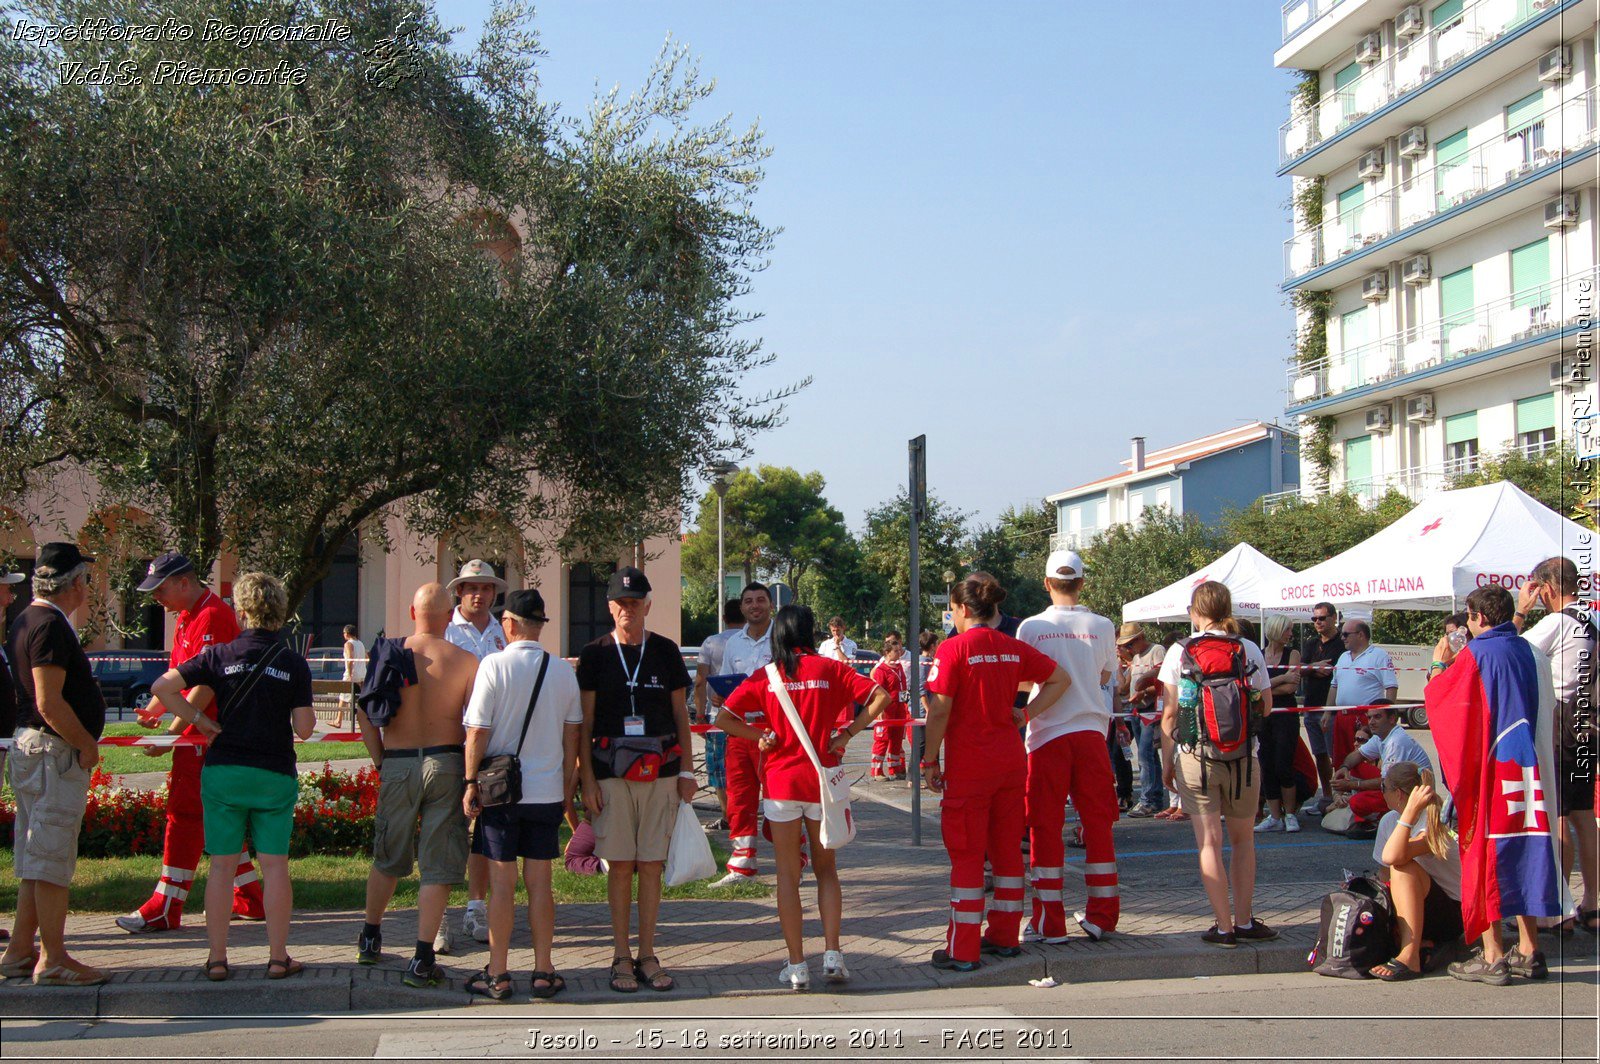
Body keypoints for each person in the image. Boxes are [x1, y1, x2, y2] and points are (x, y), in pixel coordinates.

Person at [147, 572, 316, 981]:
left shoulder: (219, 655)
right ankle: (278, 958)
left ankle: (217, 959)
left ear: (241, 611)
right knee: (275, 867)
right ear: (280, 613)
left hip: (223, 771)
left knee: (221, 867)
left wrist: (199, 720)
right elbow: (307, 728)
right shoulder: (293, 663)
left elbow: (162, 686)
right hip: (274, 773)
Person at [717, 605, 893, 990]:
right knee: (826, 870)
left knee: (787, 876)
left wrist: (758, 738)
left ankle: (797, 965)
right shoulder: (830, 669)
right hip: (822, 781)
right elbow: (881, 695)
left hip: (781, 783)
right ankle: (833, 954)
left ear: (778, 635)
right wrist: (848, 733)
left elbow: (723, 718)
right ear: (811, 632)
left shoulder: (767, 676)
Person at [921, 572, 1069, 972]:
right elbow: (1060, 679)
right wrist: (1025, 714)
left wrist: (930, 759)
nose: (952, 616)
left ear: (964, 609)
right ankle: (1005, 936)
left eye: (952, 610)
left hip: (970, 766)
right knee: (1006, 852)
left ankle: (962, 948)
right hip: (1009, 762)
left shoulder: (953, 649)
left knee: (967, 854)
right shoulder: (1012, 646)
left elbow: (939, 708)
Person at [118, 551, 261, 934]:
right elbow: (177, 673)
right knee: (217, 817)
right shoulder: (187, 615)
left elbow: (203, 684)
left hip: (205, 736)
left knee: (184, 816)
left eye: (161, 589)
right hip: (201, 734)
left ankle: (166, 906)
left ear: (185, 582)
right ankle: (251, 898)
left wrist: (171, 734)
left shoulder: (212, 616)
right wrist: (153, 710)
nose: (156, 598)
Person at [1427, 584, 1563, 985]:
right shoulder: (1530, 650)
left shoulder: (1476, 654)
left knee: (1484, 857)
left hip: (1491, 770)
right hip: (1528, 770)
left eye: (1469, 618)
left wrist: (1438, 667)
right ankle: (1530, 948)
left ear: (1479, 618)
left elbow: (1444, 704)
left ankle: (1493, 955)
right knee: (1524, 854)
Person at [576, 566, 696, 994]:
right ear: (611, 607)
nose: (629, 609)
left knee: (650, 865)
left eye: (635, 602)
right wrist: (586, 778)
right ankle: (620, 956)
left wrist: (687, 770)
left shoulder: (665, 651)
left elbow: (681, 714)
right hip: (610, 774)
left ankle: (648, 953)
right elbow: (585, 722)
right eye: (621, 603)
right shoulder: (594, 653)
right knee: (621, 865)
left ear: (647, 605)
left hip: (661, 771)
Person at [460, 589, 582, 1001]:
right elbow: (572, 737)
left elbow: (477, 731)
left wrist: (470, 782)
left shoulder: (492, 665)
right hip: (546, 792)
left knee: (501, 884)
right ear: (541, 626)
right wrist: (567, 790)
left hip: (501, 794)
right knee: (540, 884)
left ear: (508, 624)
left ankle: (498, 973)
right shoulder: (564, 672)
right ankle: (544, 970)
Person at [355, 583, 478, 988]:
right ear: (449, 616)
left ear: (412, 611)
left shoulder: (388, 654)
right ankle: (423, 958)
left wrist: (380, 761)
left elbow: (365, 714)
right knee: (438, 865)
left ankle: (370, 937)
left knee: (387, 856)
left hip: (399, 761)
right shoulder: (465, 660)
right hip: (446, 760)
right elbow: (475, 726)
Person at [1, 543, 108, 986]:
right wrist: (85, 744)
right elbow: (49, 702)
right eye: (85, 578)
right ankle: (54, 958)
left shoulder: (27, 618)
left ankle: (19, 951)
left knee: (34, 855)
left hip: (34, 750)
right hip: (52, 753)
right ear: (76, 583)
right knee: (51, 857)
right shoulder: (48, 626)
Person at [1159, 580, 1277, 948]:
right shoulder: (1248, 648)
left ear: (1195, 612)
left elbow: (1168, 716)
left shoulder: (1179, 652)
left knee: (1209, 843)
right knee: (1243, 842)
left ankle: (1223, 926)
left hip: (1195, 757)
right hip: (1243, 757)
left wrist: (1168, 763)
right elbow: (1266, 705)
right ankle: (1244, 920)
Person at [1015, 549, 1120, 943]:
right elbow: (1108, 673)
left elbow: (1024, 684)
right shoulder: (1103, 625)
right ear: (1082, 582)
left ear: (1046, 583)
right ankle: (1103, 916)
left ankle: (1048, 921)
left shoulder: (1032, 627)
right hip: (1092, 732)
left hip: (1046, 735)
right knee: (1098, 826)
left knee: (1044, 827)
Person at [1515, 556, 1598, 934]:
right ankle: (1592, 901)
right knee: (1583, 813)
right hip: (1588, 717)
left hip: (1563, 718)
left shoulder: (1555, 621)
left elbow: (1512, 653)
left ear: (1546, 587)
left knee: (1559, 812)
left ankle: (1557, 906)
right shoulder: (1593, 618)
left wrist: (1520, 612)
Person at [442, 558, 508, 950]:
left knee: (485, 829)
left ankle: (475, 905)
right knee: (445, 828)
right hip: (454, 739)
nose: (479, 595)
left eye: (486, 588)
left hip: (495, 743)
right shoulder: (446, 632)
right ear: (459, 593)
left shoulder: (504, 632)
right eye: (472, 588)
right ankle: (439, 914)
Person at [1366, 762, 1464, 980]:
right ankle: (1418, 943)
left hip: (1453, 911)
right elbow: (1384, 875)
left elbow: (1393, 857)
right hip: (1421, 904)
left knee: (1402, 866)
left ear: (1399, 794)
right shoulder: (1389, 821)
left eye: (1384, 787)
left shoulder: (1433, 822)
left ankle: (1410, 956)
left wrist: (1409, 813)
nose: (1381, 792)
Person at [711, 582, 775, 887]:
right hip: (738, 729)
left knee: (780, 797)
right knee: (739, 797)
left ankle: (795, 856)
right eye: (748, 601)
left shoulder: (781, 638)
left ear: (770, 605)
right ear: (742, 608)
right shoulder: (733, 643)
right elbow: (725, 682)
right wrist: (719, 693)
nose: (754, 606)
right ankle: (742, 866)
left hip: (773, 729)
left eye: (760, 600)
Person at [1332, 704, 1434, 824]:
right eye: (1369, 718)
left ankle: (1381, 818)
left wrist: (1351, 785)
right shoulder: (1380, 736)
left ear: (1392, 719)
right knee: (1356, 767)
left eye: (1377, 717)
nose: (1371, 722)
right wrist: (1344, 767)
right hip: (1398, 785)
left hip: (1412, 793)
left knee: (1357, 802)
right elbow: (1358, 755)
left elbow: (1387, 781)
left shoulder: (1396, 742)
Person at [694, 598, 744, 828]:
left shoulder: (711, 643)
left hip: (717, 716)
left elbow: (700, 681)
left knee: (718, 767)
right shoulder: (751, 641)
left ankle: (727, 816)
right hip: (748, 717)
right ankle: (745, 812)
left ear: (724, 618)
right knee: (745, 767)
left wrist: (700, 714)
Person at [1255, 615, 1304, 834]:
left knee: (1283, 763)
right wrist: (1281, 678)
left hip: (1286, 716)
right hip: (1264, 716)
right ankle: (1274, 816)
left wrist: (1267, 688)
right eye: (1287, 630)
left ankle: (1290, 813)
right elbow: (1254, 688)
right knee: (1266, 763)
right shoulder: (1260, 654)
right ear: (1277, 630)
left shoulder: (1293, 653)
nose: (1290, 634)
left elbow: (1291, 688)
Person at [1298, 602, 1344, 816]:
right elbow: (1300, 670)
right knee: (1320, 754)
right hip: (1311, 705)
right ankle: (1325, 796)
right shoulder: (1311, 643)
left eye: (1322, 618)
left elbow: (1335, 672)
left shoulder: (1342, 643)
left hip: (1332, 707)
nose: (1318, 622)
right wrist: (1315, 668)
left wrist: (1312, 669)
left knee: (1337, 755)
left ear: (1334, 618)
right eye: (1314, 619)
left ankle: (1340, 798)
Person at [1119, 623, 1167, 819]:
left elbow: (1164, 681)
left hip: (1151, 710)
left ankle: (1148, 800)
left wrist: (1143, 693)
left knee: (1146, 755)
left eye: (1130, 644)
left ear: (1140, 638)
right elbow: (1125, 687)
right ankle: (1154, 797)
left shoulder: (1157, 651)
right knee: (1148, 756)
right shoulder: (1136, 657)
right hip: (1137, 710)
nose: (1129, 649)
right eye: (1126, 646)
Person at [868, 632, 910, 780]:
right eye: (896, 651)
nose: (899, 654)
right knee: (882, 739)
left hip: (899, 708)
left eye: (899, 651)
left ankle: (895, 768)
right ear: (887, 653)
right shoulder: (881, 670)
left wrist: (905, 703)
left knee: (897, 739)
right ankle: (877, 771)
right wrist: (879, 711)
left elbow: (903, 687)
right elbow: (878, 691)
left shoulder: (899, 668)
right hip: (887, 709)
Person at [1328, 619, 1398, 709]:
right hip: (1342, 715)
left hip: (1367, 716)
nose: (1342, 638)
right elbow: (1334, 686)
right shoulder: (1343, 657)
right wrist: (1327, 712)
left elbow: (1391, 687)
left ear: (1360, 635)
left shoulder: (1379, 655)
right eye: (1342, 634)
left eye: (1346, 634)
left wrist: (1388, 714)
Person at [334, 624, 367, 731]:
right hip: (362, 674)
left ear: (347, 633)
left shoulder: (348, 644)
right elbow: (366, 657)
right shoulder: (361, 643)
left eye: (344, 633)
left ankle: (338, 720)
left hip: (352, 674)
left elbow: (350, 658)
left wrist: (349, 673)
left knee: (342, 697)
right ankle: (361, 721)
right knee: (360, 699)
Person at [1428, 613, 1472, 683]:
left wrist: (1439, 665)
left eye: (1452, 632)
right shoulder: (1448, 659)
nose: (1448, 637)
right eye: (1447, 634)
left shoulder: (1472, 657)